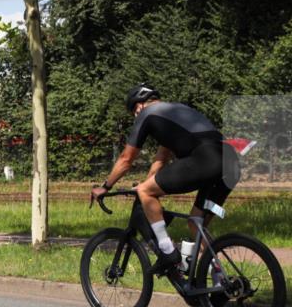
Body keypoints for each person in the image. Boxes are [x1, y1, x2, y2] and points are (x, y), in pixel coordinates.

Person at [90, 84, 239, 279]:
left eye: (133, 111)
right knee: (196, 223)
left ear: (139, 105)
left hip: (206, 160)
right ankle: (222, 280)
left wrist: (105, 187)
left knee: (145, 191)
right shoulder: (174, 113)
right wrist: (146, 183)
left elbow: (126, 159)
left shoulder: (147, 114)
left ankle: (168, 252)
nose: (135, 116)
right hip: (231, 163)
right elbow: (160, 160)